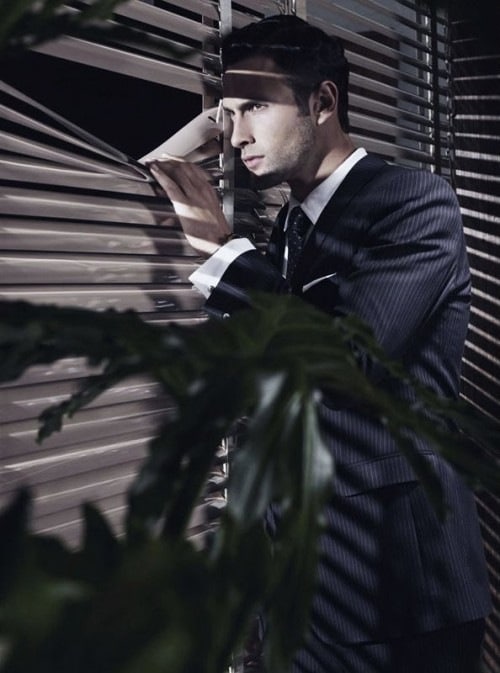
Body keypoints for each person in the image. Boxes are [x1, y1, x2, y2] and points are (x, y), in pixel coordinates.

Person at [148, 14, 492, 673]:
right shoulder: (288, 228)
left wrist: (221, 252)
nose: (236, 135)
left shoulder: (413, 203)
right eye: (226, 113)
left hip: (397, 599)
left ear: (323, 101)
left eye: (255, 106)